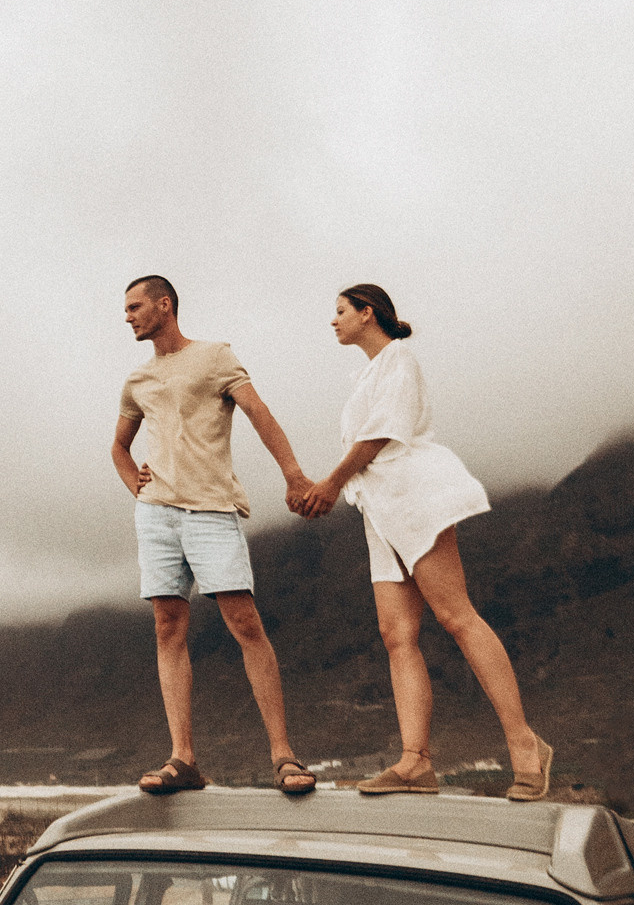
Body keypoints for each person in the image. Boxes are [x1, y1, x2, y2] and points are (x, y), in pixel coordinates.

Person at [290, 285, 552, 801]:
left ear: (367, 313)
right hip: (380, 511)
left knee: (456, 616)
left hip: (412, 496)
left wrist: (331, 483)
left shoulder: (399, 359)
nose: (333, 321)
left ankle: (526, 746)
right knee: (397, 634)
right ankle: (415, 762)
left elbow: (381, 435)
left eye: (340, 312)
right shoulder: (365, 374)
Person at [111, 274, 318, 798]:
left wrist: (294, 475)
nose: (127, 316)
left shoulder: (215, 356)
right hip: (157, 515)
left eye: (135, 306)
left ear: (164, 305)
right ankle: (183, 758)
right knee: (167, 627)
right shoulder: (138, 379)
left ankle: (283, 754)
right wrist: (134, 482)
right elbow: (119, 446)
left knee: (244, 621)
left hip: (210, 509)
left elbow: (259, 413)